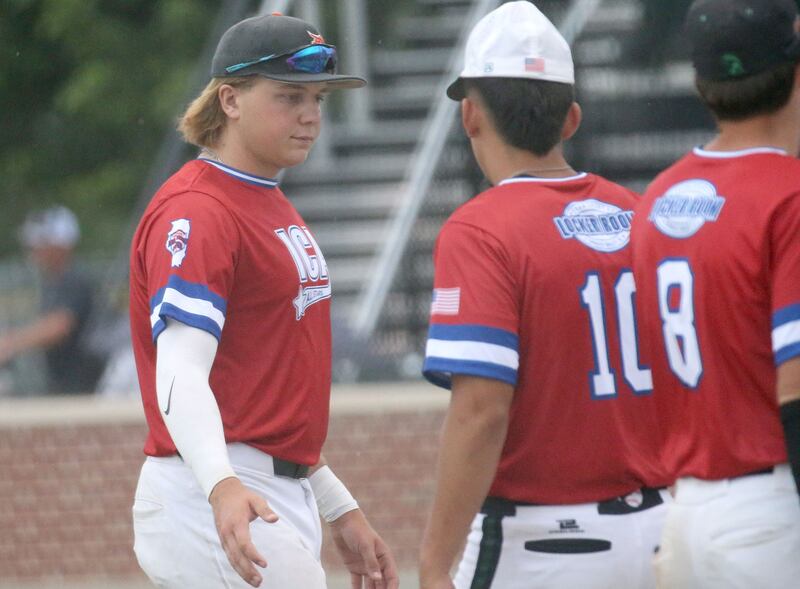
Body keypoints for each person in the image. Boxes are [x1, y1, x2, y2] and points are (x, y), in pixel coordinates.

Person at [128, 13, 398, 589]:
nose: (310, 115)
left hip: (268, 487)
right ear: (230, 99)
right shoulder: (200, 209)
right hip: (214, 485)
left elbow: (268, 392)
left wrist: (337, 505)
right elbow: (178, 372)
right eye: (289, 96)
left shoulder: (263, 198)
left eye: (318, 98)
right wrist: (221, 486)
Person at [418, 3, 670, 588]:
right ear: (571, 118)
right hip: (661, 528)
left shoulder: (480, 229)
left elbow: (481, 412)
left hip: (544, 546)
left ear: (470, 115)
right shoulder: (639, 214)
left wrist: (433, 565)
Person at [630, 0, 800, 586]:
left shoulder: (657, 198)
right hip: (772, 507)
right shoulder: (789, 194)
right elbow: (797, 379)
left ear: (703, 85)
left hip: (686, 512)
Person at [0, 206, 102, 395]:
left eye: (41, 243)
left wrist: (11, 343)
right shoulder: (54, 282)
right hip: (69, 383)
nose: (34, 250)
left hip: (85, 384)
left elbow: (60, 325)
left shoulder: (74, 279)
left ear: (60, 245)